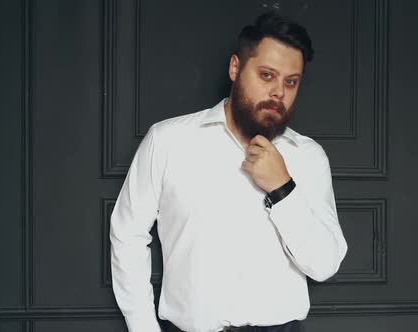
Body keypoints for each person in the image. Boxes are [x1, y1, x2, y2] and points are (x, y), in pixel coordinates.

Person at [110, 11, 348, 332]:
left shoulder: (308, 157)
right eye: (267, 75)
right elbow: (127, 234)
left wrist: (282, 188)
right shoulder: (168, 141)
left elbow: (324, 266)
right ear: (236, 68)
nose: (279, 92)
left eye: (290, 82)